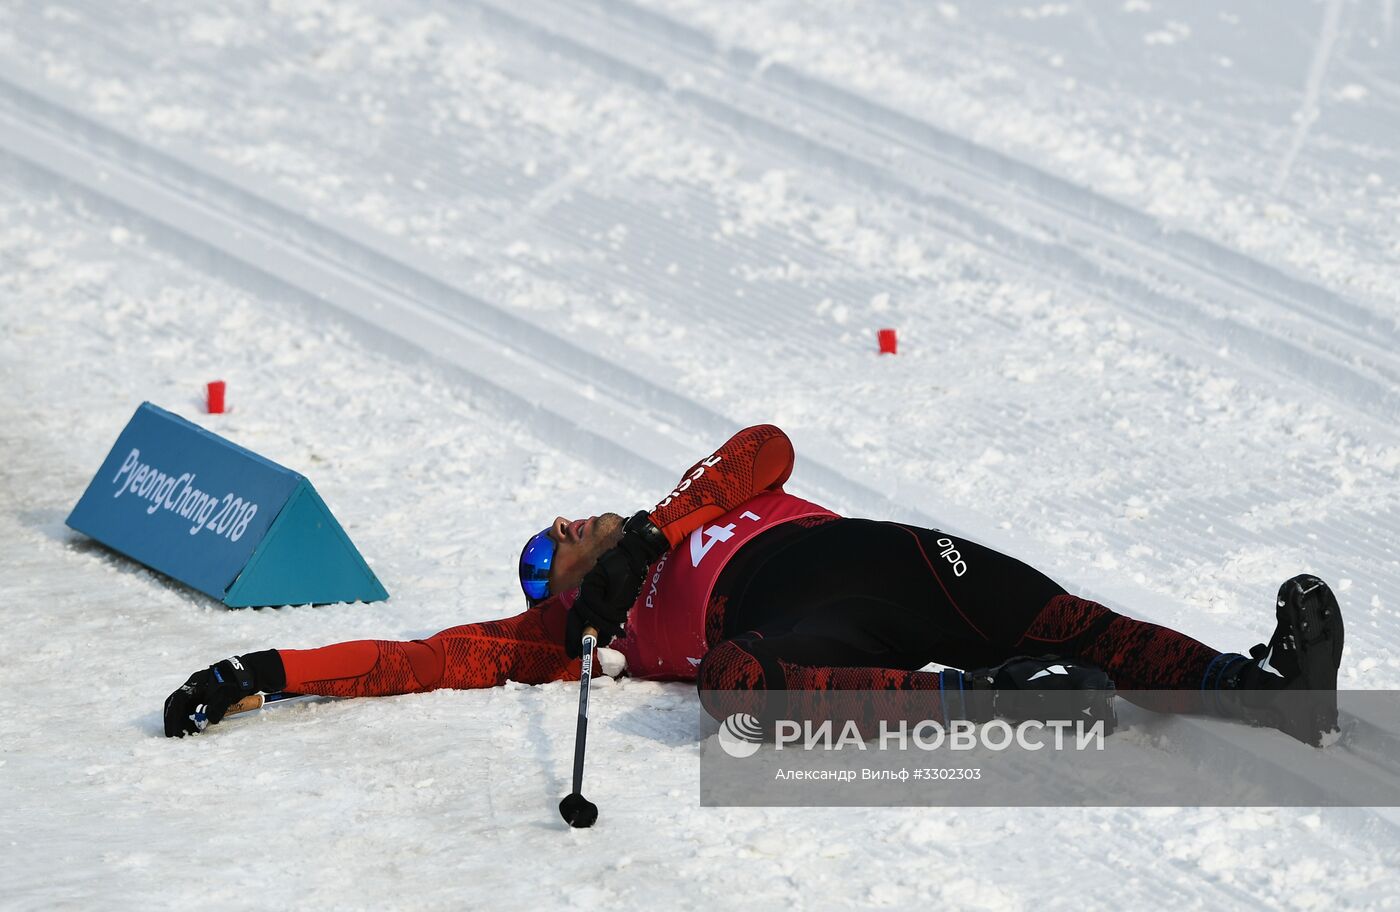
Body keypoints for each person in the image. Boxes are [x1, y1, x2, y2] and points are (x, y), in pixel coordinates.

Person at [164, 425, 1344, 746]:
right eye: (548, 548)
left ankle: (1262, 687)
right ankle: (990, 701)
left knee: (1070, 616)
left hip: (880, 553)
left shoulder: (683, 505)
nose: (564, 528)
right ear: (555, 595)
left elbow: (767, 444)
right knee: (735, 694)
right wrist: (264, 671)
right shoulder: (564, 635)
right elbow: (415, 660)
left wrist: (653, 523)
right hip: (789, 620)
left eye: (564, 524)